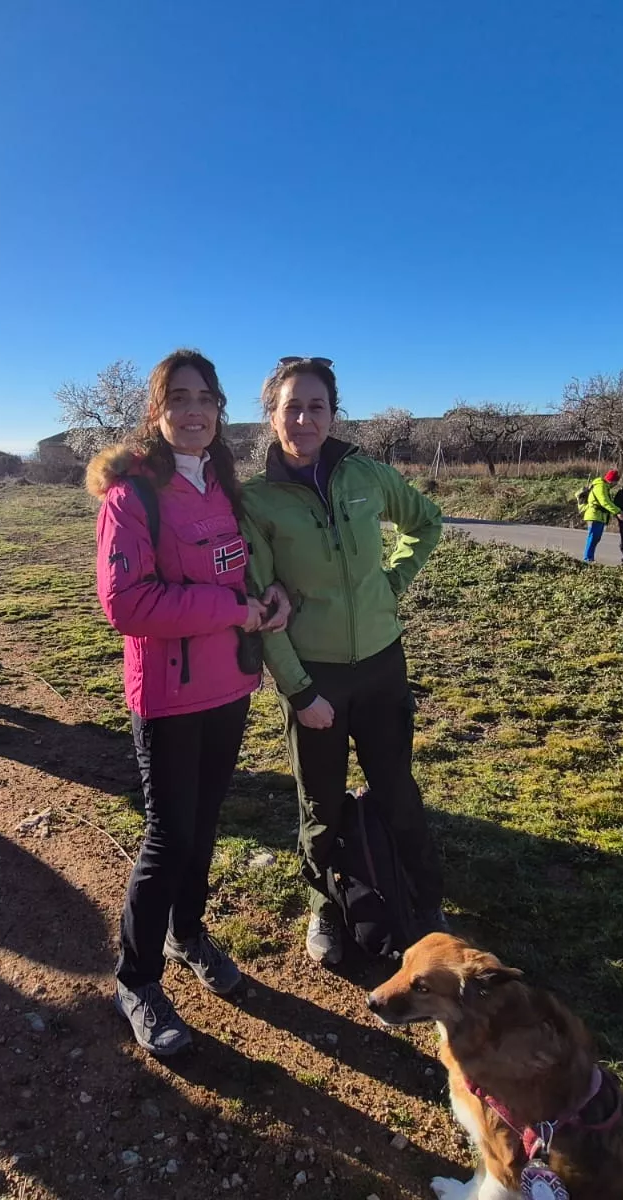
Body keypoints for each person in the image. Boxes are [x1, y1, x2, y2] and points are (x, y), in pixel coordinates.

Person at [90, 349, 284, 1056]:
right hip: (168, 694)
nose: (194, 410)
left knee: (204, 825)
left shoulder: (225, 485)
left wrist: (270, 597)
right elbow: (127, 603)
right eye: (179, 397)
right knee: (168, 835)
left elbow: (247, 565)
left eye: (206, 397)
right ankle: (136, 979)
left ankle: (188, 934)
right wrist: (231, 611)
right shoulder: (132, 496)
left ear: (220, 407)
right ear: (158, 410)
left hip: (228, 686)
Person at [240, 356, 448, 967]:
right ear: (272, 415)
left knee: (397, 790)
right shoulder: (255, 501)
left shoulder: (366, 475)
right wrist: (300, 693)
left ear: (333, 413)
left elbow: (426, 522)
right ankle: (325, 907)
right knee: (320, 803)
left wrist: (392, 583)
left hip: (383, 664)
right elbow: (259, 604)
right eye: (292, 407)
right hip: (315, 674)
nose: (304, 419)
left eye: (317, 406)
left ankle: (426, 898)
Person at [579, 468, 622, 563]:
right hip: (595, 516)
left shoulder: (603, 486)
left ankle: (589, 558)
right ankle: (587, 559)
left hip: (599, 516)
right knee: (593, 537)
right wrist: (618, 512)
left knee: (595, 538)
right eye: (616, 482)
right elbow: (604, 501)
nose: (616, 485)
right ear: (612, 481)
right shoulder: (600, 486)